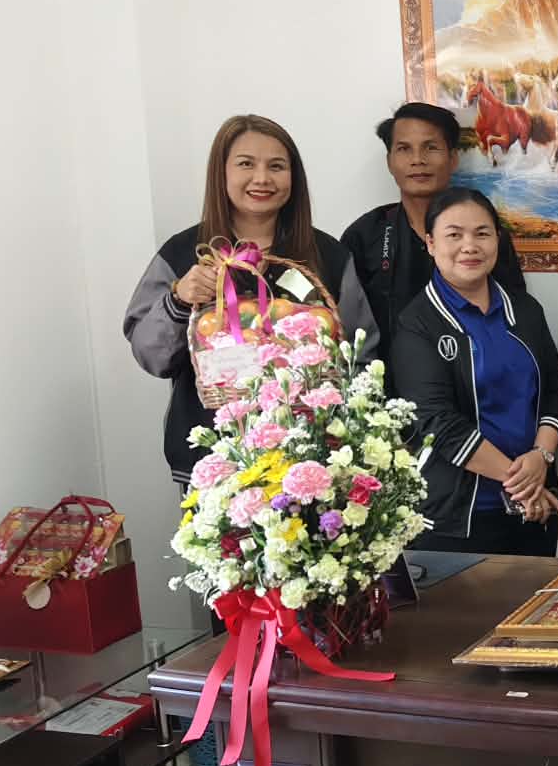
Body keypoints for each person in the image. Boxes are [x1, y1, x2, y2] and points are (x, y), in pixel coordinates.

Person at [124, 114, 377, 488]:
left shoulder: (327, 256)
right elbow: (151, 355)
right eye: (246, 164)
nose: (262, 178)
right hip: (213, 458)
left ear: (294, 177)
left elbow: (363, 353)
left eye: (276, 166)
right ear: (221, 173)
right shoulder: (184, 253)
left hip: (312, 459)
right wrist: (178, 299)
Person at [390, 189, 558, 555]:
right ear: (430, 243)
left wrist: (542, 456)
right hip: (457, 516)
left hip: (534, 506)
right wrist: (522, 484)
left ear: (497, 240)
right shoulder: (417, 322)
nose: (469, 246)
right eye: (454, 235)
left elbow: (555, 391)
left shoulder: (525, 310)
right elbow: (437, 422)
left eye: (482, 233)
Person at [342, 102, 510, 369]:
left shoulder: (483, 234)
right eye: (404, 149)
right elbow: (350, 330)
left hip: (476, 381)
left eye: (431, 147)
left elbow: (513, 318)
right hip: (388, 385)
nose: (418, 159)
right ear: (389, 162)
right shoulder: (365, 235)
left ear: (453, 158)